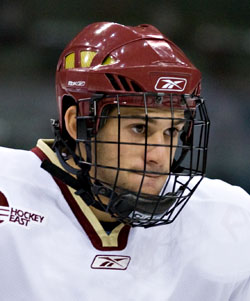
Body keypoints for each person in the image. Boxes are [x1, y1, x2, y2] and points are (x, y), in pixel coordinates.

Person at [0, 22, 250, 301]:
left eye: (172, 132)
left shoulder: (228, 219)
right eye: (140, 129)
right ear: (78, 125)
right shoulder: (7, 190)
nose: (159, 156)